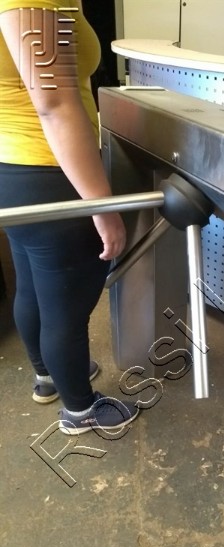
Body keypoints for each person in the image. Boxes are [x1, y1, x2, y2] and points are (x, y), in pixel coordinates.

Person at [0, 0, 139, 434]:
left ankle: (49, 376)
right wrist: (101, 207)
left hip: (10, 169)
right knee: (66, 312)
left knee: (32, 286)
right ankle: (80, 410)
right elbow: (55, 103)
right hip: (52, 174)